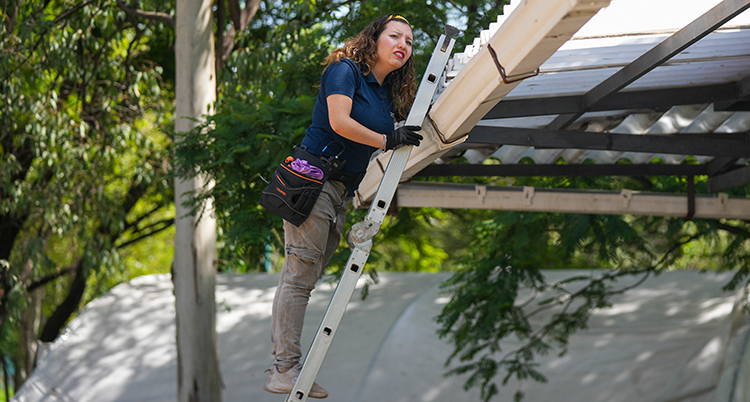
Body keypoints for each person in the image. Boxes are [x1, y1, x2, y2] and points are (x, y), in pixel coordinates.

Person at [264, 13, 423, 398]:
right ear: (374, 38)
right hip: (312, 182)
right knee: (299, 275)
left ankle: (287, 366)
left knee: (307, 276)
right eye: (395, 35)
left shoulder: (385, 96)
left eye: (410, 41)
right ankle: (284, 369)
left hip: (339, 193)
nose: (403, 44)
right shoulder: (344, 70)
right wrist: (387, 141)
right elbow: (339, 122)